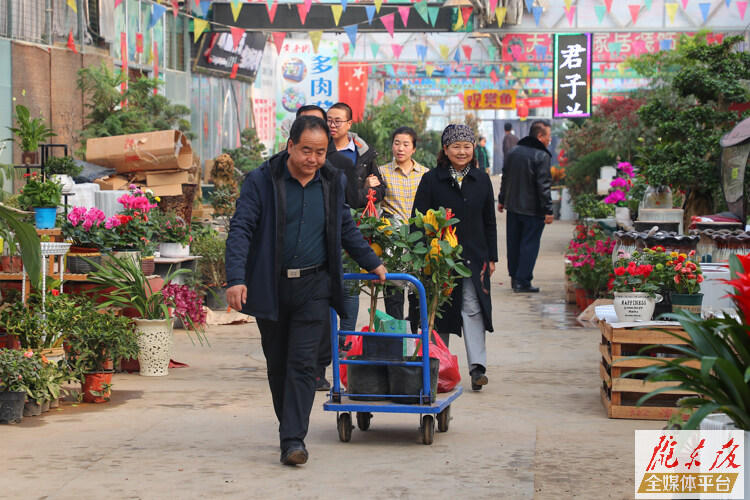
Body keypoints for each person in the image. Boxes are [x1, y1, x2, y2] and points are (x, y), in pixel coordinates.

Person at [225, 115, 387, 466]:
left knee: (303, 364)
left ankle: (294, 440)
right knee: (279, 366)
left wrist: (372, 262)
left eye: (320, 152)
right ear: (290, 146)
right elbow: (241, 229)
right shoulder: (261, 181)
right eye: (306, 151)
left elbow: (345, 227)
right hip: (271, 284)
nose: (313, 159)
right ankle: (290, 428)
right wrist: (236, 277)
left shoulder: (332, 180)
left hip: (315, 285)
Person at [412, 124, 498, 391]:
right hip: (440, 257)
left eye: (467, 146)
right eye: (456, 146)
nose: (462, 151)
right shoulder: (431, 179)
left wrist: (492, 257)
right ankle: (438, 367)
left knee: (472, 309)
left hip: (474, 256)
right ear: (445, 149)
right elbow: (418, 219)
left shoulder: (481, 179)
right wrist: (422, 253)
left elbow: (489, 221)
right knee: (439, 311)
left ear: (474, 150)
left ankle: (477, 369)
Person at [295, 105, 358, 391]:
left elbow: (348, 213)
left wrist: (370, 260)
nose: (313, 157)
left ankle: (319, 369)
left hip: (324, 263)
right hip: (285, 270)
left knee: (321, 319)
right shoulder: (270, 173)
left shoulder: (338, 168)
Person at [327, 102, 385, 344]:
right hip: (328, 223)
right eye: (329, 120)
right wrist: (362, 189)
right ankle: (327, 338)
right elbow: (354, 193)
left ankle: (346, 338)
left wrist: (364, 193)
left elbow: (380, 190)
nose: (332, 125)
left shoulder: (362, 154)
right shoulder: (321, 150)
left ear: (349, 124)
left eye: (337, 121)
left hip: (354, 226)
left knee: (349, 284)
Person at [497, 120, 554, 294]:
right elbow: (543, 185)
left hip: (513, 207)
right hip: (533, 210)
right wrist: (548, 209)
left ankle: (515, 278)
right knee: (529, 244)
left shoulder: (514, 152)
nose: (549, 140)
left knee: (514, 243)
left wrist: (501, 199)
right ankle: (523, 282)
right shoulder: (541, 155)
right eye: (548, 137)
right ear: (540, 136)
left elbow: (505, 178)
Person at [379, 126, 427, 323]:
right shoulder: (381, 172)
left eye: (406, 144)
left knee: (418, 294)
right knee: (394, 294)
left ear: (413, 149)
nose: (400, 148)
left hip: (418, 241)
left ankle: (416, 342)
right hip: (392, 241)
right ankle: (396, 341)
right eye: (397, 143)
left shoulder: (425, 174)